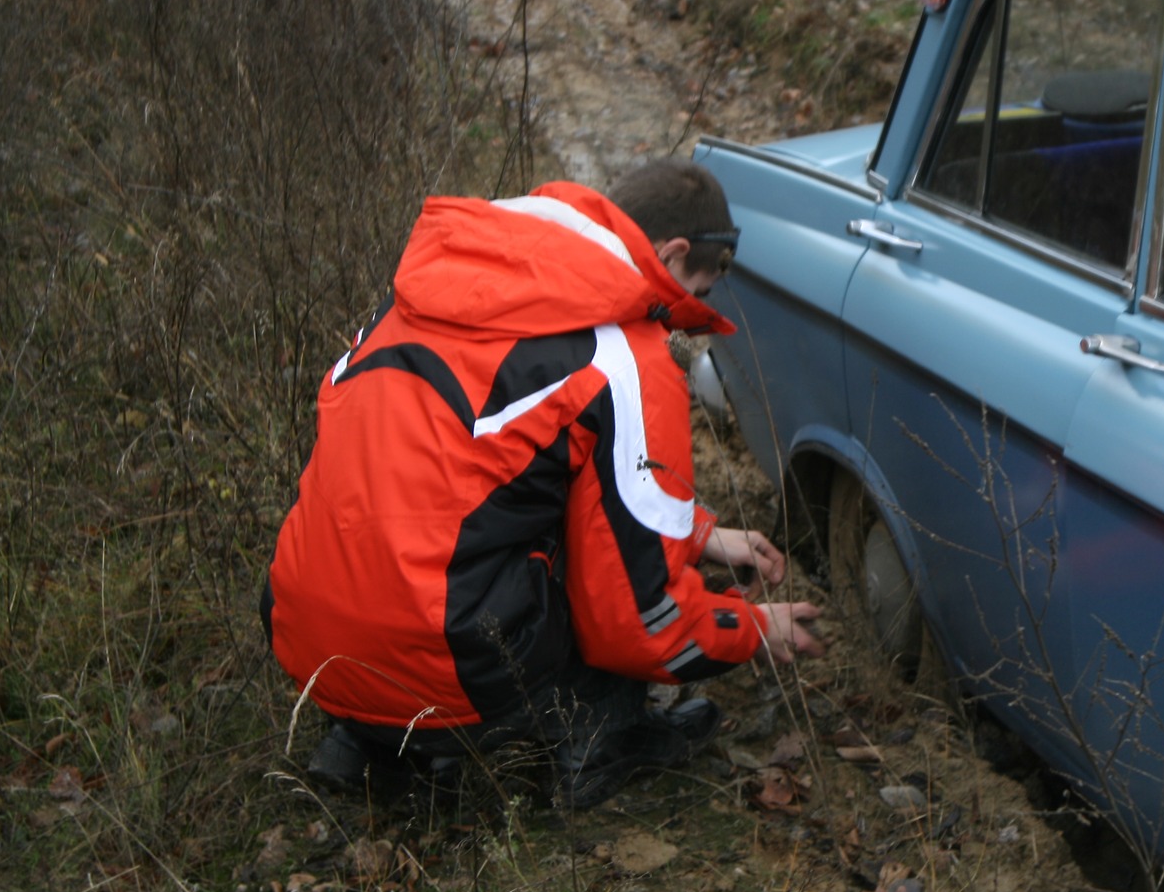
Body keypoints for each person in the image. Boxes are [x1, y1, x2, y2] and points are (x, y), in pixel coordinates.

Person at [262, 160, 823, 808]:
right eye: (701, 285)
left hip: (305, 640)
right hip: (450, 671)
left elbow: (464, 474)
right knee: (602, 578)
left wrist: (699, 535)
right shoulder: (620, 354)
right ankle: (602, 740)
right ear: (671, 254)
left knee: (462, 518)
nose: (690, 312)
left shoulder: (426, 289)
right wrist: (751, 627)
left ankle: (364, 740)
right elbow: (641, 622)